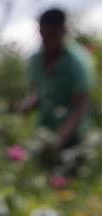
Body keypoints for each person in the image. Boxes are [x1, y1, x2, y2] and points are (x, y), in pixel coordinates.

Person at [20, 8, 94, 158]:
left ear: (63, 31)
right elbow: (37, 91)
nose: (48, 39)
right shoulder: (36, 60)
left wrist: (57, 141)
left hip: (73, 140)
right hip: (43, 133)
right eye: (44, 34)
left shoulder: (78, 62)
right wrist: (30, 103)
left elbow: (80, 109)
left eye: (53, 34)